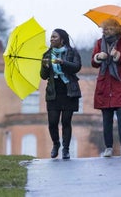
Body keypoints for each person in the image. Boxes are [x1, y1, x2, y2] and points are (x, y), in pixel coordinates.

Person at [91, 18, 121, 157]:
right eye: (105, 29)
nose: (106, 32)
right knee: (106, 117)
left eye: (110, 29)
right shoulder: (100, 43)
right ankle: (108, 147)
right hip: (105, 84)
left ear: (117, 29)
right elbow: (93, 62)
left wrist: (118, 55)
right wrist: (99, 56)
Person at [40, 29, 82, 160]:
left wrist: (63, 63)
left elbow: (77, 67)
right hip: (54, 92)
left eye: (54, 37)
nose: (51, 39)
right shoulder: (47, 54)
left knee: (66, 121)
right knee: (52, 122)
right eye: (51, 37)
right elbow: (43, 76)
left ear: (62, 39)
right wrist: (45, 66)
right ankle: (56, 144)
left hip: (69, 90)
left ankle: (66, 149)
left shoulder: (72, 52)